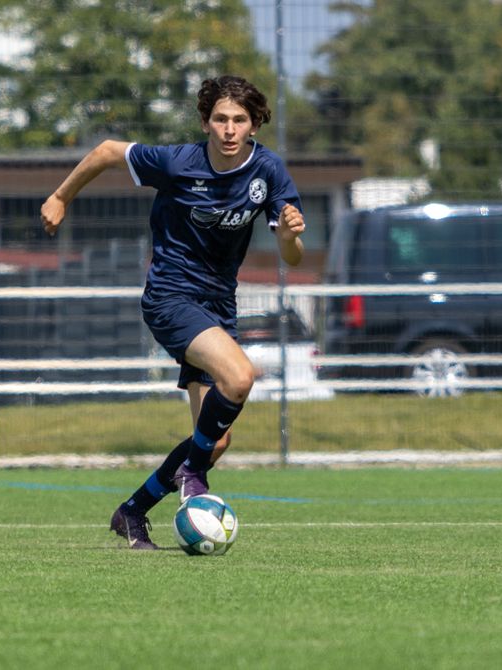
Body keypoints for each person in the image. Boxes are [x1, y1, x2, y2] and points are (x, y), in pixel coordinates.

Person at [40, 75, 306, 550]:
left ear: (254, 124)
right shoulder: (178, 162)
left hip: (219, 305)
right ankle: (192, 476)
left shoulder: (269, 170)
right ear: (206, 121)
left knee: (215, 440)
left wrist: (288, 234)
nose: (228, 129)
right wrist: (61, 197)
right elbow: (105, 151)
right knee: (240, 377)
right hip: (170, 296)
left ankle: (133, 511)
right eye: (220, 119)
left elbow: (293, 257)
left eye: (239, 120)